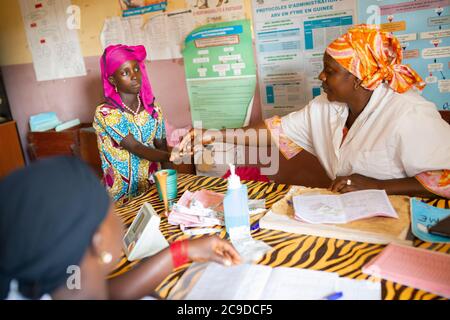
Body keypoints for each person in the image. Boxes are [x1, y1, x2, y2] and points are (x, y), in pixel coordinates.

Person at [173, 25, 450, 198]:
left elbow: (445, 180)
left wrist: (378, 186)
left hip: (405, 221)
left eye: (330, 71)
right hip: (351, 213)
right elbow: (273, 131)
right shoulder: (326, 107)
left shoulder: (409, 112)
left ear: (359, 78)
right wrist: (213, 135)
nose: (321, 76)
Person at [0, 157, 240, 300]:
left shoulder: (46, 284)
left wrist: (183, 250)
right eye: (111, 208)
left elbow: (104, 293)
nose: (121, 219)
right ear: (98, 242)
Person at [94, 45, 173, 204]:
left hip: (151, 191)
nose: (135, 76)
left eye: (136, 69)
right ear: (112, 80)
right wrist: (174, 155)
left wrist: (170, 190)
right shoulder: (106, 113)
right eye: (125, 72)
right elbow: (135, 147)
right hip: (121, 198)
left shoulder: (153, 110)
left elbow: (161, 146)